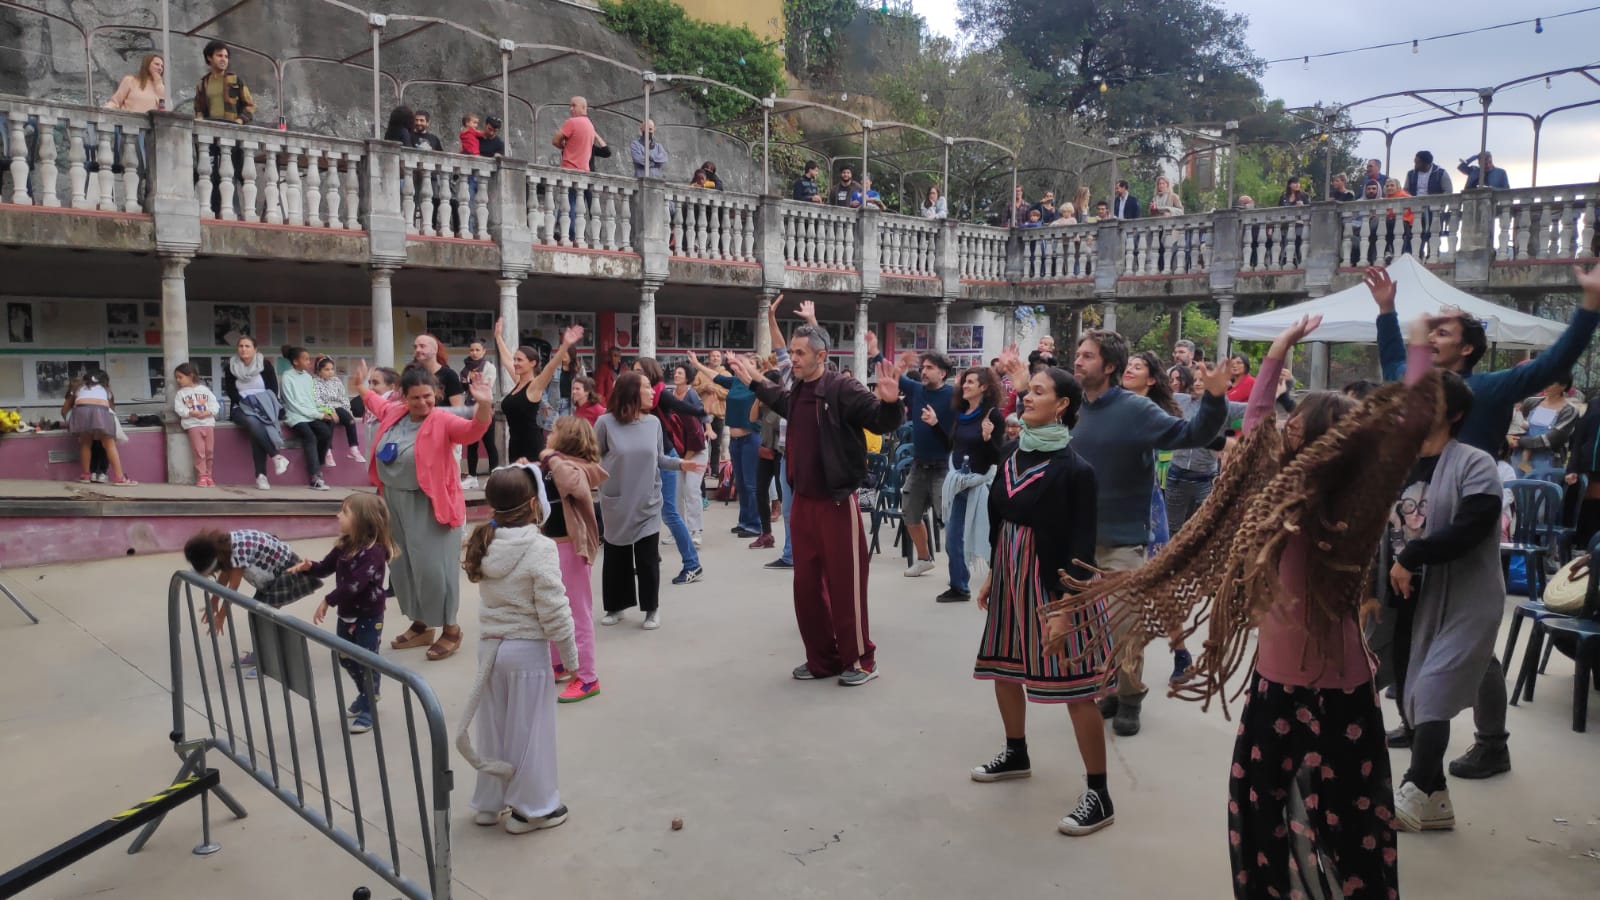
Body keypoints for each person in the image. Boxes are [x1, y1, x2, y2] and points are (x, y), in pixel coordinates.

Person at [1371, 263, 1600, 778]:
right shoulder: (1421, 389)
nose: (1431, 335)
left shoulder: (1491, 389)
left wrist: (1590, 308)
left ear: (1467, 349)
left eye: (1443, 331)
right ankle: (1418, 717)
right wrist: (1387, 313)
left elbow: (1555, 363)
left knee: (1467, 640)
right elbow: (1394, 368)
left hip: (1463, 528)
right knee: (1411, 628)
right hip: (1412, 526)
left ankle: (1492, 741)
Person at [968, 360, 1116, 835]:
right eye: (1027, 391)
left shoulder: (1077, 471)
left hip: (1055, 586)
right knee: (1004, 668)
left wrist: (1065, 610)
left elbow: (1080, 546)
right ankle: (1016, 752)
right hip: (1010, 577)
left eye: (1038, 392)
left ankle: (1099, 793)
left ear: (1063, 406)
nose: (1027, 398)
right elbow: (999, 517)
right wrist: (993, 571)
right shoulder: (1012, 453)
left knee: (1076, 688)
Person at [1062, 329, 1229, 736]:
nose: (1078, 361)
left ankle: (1131, 697)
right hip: (1078, 540)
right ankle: (1111, 688)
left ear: (1111, 366)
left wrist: (1214, 398)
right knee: (1089, 628)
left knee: (1126, 626)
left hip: (1122, 540)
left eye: (1088, 356)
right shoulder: (1075, 409)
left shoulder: (1136, 409)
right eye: (1078, 354)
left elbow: (1191, 435)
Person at [736, 328, 904, 686]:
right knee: (806, 586)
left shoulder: (842, 389)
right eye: (792, 352)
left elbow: (881, 420)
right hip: (804, 503)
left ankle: (860, 659)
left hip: (837, 501)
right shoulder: (798, 389)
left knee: (846, 583)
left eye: (799, 353)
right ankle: (822, 658)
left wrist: (891, 403)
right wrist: (752, 381)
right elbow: (781, 400)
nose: (793, 359)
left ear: (821, 356)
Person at [1390, 371, 1506, 833]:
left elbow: (1475, 525)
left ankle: (1414, 789)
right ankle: (1436, 799)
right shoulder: (1398, 462)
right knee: (1407, 694)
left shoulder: (1475, 463)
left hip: (1467, 598)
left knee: (1432, 691)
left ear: (1454, 413)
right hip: (1409, 596)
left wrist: (1415, 554)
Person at [456, 467, 578, 834]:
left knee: (493, 729)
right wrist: (572, 659)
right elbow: (554, 608)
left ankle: (490, 804)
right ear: (532, 503)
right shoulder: (540, 547)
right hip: (525, 651)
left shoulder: (485, 539)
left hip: (489, 651)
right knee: (530, 733)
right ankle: (533, 810)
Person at [354, 360, 493, 662]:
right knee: (404, 569)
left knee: (434, 570)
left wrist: (483, 405)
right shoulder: (394, 413)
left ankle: (451, 630)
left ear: (436, 394)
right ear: (403, 396)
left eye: (428, 396)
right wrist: (361, 384)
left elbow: (473, 431)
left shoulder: (442, 420)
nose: (423, 402)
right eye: (415, 397)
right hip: (393, 504)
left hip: (430, 506)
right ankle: (420, 625)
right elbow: (374, 401)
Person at [595, 371, 703, 630]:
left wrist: (681, 464)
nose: (654, 391)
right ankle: (616, 607)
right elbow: (592, 457)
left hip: (648, 501)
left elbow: (658, 459)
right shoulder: (605, 423)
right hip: (617, 501)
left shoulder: (653, 423)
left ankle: (651, 609)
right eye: (647, 387)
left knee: (647, 559)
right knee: (616, 556)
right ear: (632, 391)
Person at [287, 493, 396, 734]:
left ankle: (369, 708)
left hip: (369, 616)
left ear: (362, 519)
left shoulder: (373, 552)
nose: (338, 515)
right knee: (345, 657)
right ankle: (368, 693)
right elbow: (325, 568)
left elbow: (356, 584)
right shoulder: (345, 546)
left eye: (345, 512)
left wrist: (328, 600)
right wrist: (308, 568)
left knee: (367, 660)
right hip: (347, 614)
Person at [539, 418, 608, 702]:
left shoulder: (578, 468)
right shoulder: (554, 463)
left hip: (571, 548)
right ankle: (560, 664)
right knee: (553, 608)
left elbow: (569, 483)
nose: (548, 435)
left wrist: (552, 457)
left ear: (566, 438)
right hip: (549, 546)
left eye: (554, 431)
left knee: (577, 613)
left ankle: (588, 677)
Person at [183, 528, 324, 653]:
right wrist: (214, 601)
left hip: (286, 572)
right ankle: (264, 654)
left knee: (262, 615)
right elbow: (225, 575)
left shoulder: (237, 552)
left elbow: (232, 589)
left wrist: (221, 615)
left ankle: (267, 657)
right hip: (273, 574)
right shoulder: (224, 548)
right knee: (258, 613)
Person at [934, 366, 1006, 603]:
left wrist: (987, 439)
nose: (964, 385)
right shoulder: (961, 412)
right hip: (959, 484)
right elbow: (951, 445)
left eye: (971, 382)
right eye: (964, 382)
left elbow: (998, 456)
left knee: (986, 537)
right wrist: (935, 425)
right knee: (953, 539)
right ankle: (959, 586)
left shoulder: (993, 416)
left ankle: (998, 582)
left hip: (981, 486)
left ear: (984, 387)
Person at [633, 357, 707, 584]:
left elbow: (681, 406)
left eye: (639, 371)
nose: (634, 374)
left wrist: (700, 410)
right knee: (649, 510)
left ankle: (693, 564)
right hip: (651, 459)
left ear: (649, 373)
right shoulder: (639, 396)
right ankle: (652, 556)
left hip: (666, 457)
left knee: (670, 513)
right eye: (633, 370)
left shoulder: (659, 393)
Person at [895, 350, 957, 576]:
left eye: (929, 368)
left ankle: (956, 568)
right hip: (919, 465)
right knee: (910, 513)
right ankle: (923, 558)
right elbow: (893, 377)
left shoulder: (953, 396)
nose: (924, 371)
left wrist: (935, 424)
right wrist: (875, 352)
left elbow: (953, 441)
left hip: (943, 467)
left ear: (942, 373)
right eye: (922, 367)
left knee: (949, 520)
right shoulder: (917, 389)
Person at [692, 345, 763, 537]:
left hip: (751, 439)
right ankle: (744, 521)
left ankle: (756, 524)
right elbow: (714, 376)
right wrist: (697, 363)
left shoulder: (757, 384)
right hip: (735, 440)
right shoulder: (735, 382)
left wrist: (738, 364)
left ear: (755, 367)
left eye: (747, 363)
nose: (741, 366)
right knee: (741, 482)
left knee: (750, 483)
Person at [493, 320, 579, 464]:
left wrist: (565, 346)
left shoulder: (535, 386)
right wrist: (498, 337)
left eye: (520, 360)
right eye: (515, 360)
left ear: (532, 363)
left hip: (531, 447)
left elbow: (551, 367)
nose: (515, 363)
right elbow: (506, 360)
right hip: (514, 445)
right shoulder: (519, 382)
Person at [225, 335, 291, 489]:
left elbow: (273, 389)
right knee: (252, 421)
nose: (243, 349)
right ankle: (276, 456)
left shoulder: (265, 365)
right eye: (241, 346)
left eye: (247, 346)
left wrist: (260, 404)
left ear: (255, 349)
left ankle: (261, 477)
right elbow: (230, 391)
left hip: (265, 407)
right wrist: (246, 402)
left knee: (256, 428)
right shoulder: (230, 367)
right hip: (241, 406)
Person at [64, 370, 134, 486]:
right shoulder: (106, 390)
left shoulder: (79, 388)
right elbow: (110, 408)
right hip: (100, 412)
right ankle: (120, 477)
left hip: (81, 411)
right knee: (109, 444)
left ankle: (86, 475)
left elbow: (68, 407)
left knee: (85, 443)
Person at [279, 345, 334, 491]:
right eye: (306, 359)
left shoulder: (308, 377)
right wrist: (317, 415)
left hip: (310, 415)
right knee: (310, 437)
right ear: (296, 362)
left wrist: (325, 411)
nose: (309, 362)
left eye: (309, 359)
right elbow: (292, 404)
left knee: (325, 432)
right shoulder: (287, 377)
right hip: (295, 416)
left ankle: (318, 463)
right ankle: (315, 477)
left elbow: (312, 400)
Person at [1508, 374, 1581, 474]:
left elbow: (1552, 440)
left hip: (1548, 464)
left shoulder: (1570, 410)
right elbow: (1516, 423)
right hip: (1518, 460)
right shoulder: (1531, 402)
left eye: (1550, 382)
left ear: (1563, 385)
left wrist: (1519, 441)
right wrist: (1509, 436)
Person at [173, 362, 219, 487]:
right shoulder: (180, 394)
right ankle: (202, 476)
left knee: (209, 451)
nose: (178, 380)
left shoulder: (205, 390)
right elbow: (179, 409)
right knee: (199, 451)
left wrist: (208, 412)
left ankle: (209, 475)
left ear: (191, 376)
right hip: (193, 425)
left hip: (208, 423)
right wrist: (190, 412)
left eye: (180, 377)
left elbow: (215, 405)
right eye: (176, 377)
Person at [460, 339, 500, 479]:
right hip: (470, 408)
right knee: (472, 443)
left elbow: (486, 384)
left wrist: (469, 382)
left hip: (485, 408)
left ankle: (494, 474)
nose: (474, 353)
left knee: (489, 443)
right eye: (472, 350)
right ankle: (472, 476)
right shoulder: (466, 368)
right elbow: (462, 385)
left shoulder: (489, 367)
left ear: (484, 351)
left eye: (478, 350)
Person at [314, 356, 365, 465]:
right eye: (326, 369)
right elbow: (318, 400)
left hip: (339, 407)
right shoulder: (315, 382)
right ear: (319, 371)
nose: (330, 372)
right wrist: (331, 411)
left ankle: (354, 449)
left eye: (332, 369)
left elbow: (343, 397)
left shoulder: (337, 381)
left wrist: (347, 411)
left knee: (350, 421)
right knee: (330, 422)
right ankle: (328, 452)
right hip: (325, 408)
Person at [193, 41, 253, 124]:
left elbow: (250, 105)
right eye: (219, 56)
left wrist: (240, 120)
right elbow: (198, 108)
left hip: (232, 129)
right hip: (210, 129)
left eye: (226, 57)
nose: (224, 59)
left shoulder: (235, 80)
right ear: (209, 58)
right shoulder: (202, 84)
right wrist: (200, 119)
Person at [553, 96, 596, 171]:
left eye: (574, 105)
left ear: (583, 107)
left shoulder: (572, 122)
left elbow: (555, 141)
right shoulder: (591, 126)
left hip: (569, 170)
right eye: (570, 106)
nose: (571, 109)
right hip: (584, 172)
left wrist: (564, 147)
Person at [362, 366, 400, 449]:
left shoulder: (397, 408)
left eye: (375, 383)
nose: (370, 388)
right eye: (369, 383)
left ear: (392, 387)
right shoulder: (368, 409)